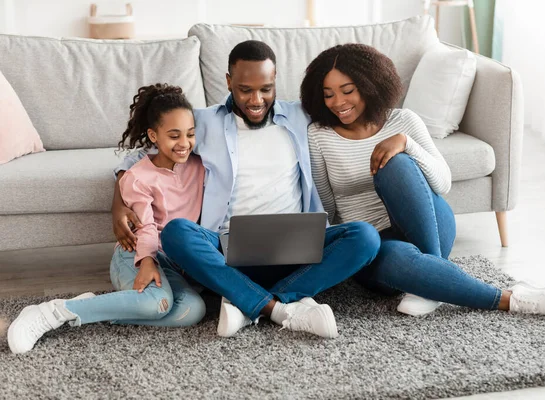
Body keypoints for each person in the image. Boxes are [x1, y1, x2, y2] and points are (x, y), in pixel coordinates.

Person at [112, 41, 381, 339]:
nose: (256, 99)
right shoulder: (203, 122)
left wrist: (402, 140)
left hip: (295, 247)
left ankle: (247, 301)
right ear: (228, 81)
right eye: (245, 89)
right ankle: (280, 307)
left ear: (276, 78)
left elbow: (354, 111)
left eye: (265, 88)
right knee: (177, 233)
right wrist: (119, 206)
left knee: (366, 237)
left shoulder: (300, 116)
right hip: (227, 249)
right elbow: (139, 157)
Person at [300, 43, 545, 318]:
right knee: (400, 262)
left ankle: (430, 274)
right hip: (377, 244)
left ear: (369, 85)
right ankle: (510, 299)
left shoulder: (404, 121)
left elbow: (442, 184)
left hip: (429, 223)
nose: (338, 102)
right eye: (328, 94)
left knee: (396, 162)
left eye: (347, 91)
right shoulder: (319, 136)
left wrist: (406, 144)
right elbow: (325, 207)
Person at [8, 84, 207, 354]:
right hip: (135, 254)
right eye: (174, 136)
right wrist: (147, 261)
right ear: (154, 136)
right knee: (155, 302)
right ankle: (54, 312)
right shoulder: (138, 176)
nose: (184, 143)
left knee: (193, 310)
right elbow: (145, 225)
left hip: (171, 260)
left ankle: (95, 307)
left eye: (190, 134)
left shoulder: (200, 166)